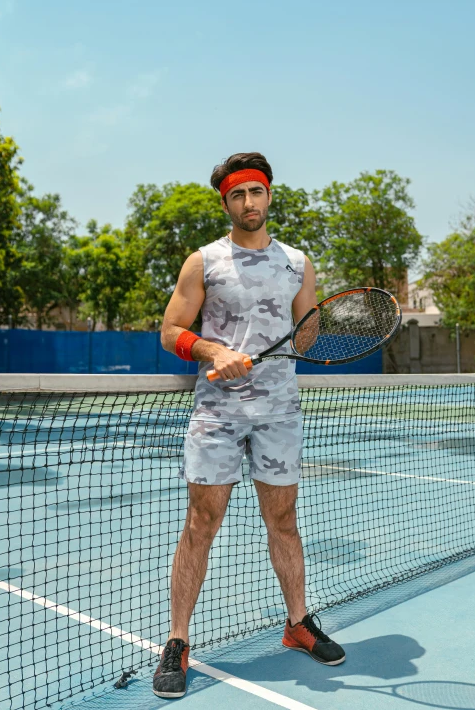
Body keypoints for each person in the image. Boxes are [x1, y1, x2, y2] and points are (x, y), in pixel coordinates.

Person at [153, 152, 345, 699]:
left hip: (280, 413)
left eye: (256, 192)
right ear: (227, 202)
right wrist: (213, 348)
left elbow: (304, 334)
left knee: (283, 521)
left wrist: (305, 336)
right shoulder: (204, 262)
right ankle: (177, 641)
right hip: (217, 414)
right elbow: (170, 331)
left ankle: (298, 624)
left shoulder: (297, 263)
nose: (249, 203)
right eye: (237, 195)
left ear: (268, 195)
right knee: (201, 524)